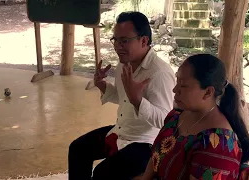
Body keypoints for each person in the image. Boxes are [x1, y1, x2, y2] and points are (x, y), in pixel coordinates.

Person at [68, 11, 176, 180]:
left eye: (124, 40)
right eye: (115, 40)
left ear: (144, 40)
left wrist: (138, 100)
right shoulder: (124, 64)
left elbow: (166, 121)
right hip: (122, 130)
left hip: (147, 143)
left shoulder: (159, 73)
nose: (117, 46)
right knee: (78, 149)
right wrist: (102, 85)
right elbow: (123, 99)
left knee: (102, 174)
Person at [142, 54, 249, 180]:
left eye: (183, 85)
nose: (175, 89)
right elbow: (155, 158)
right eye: (177, 81)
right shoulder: (176, 116)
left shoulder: (217, 144)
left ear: (208, 92)